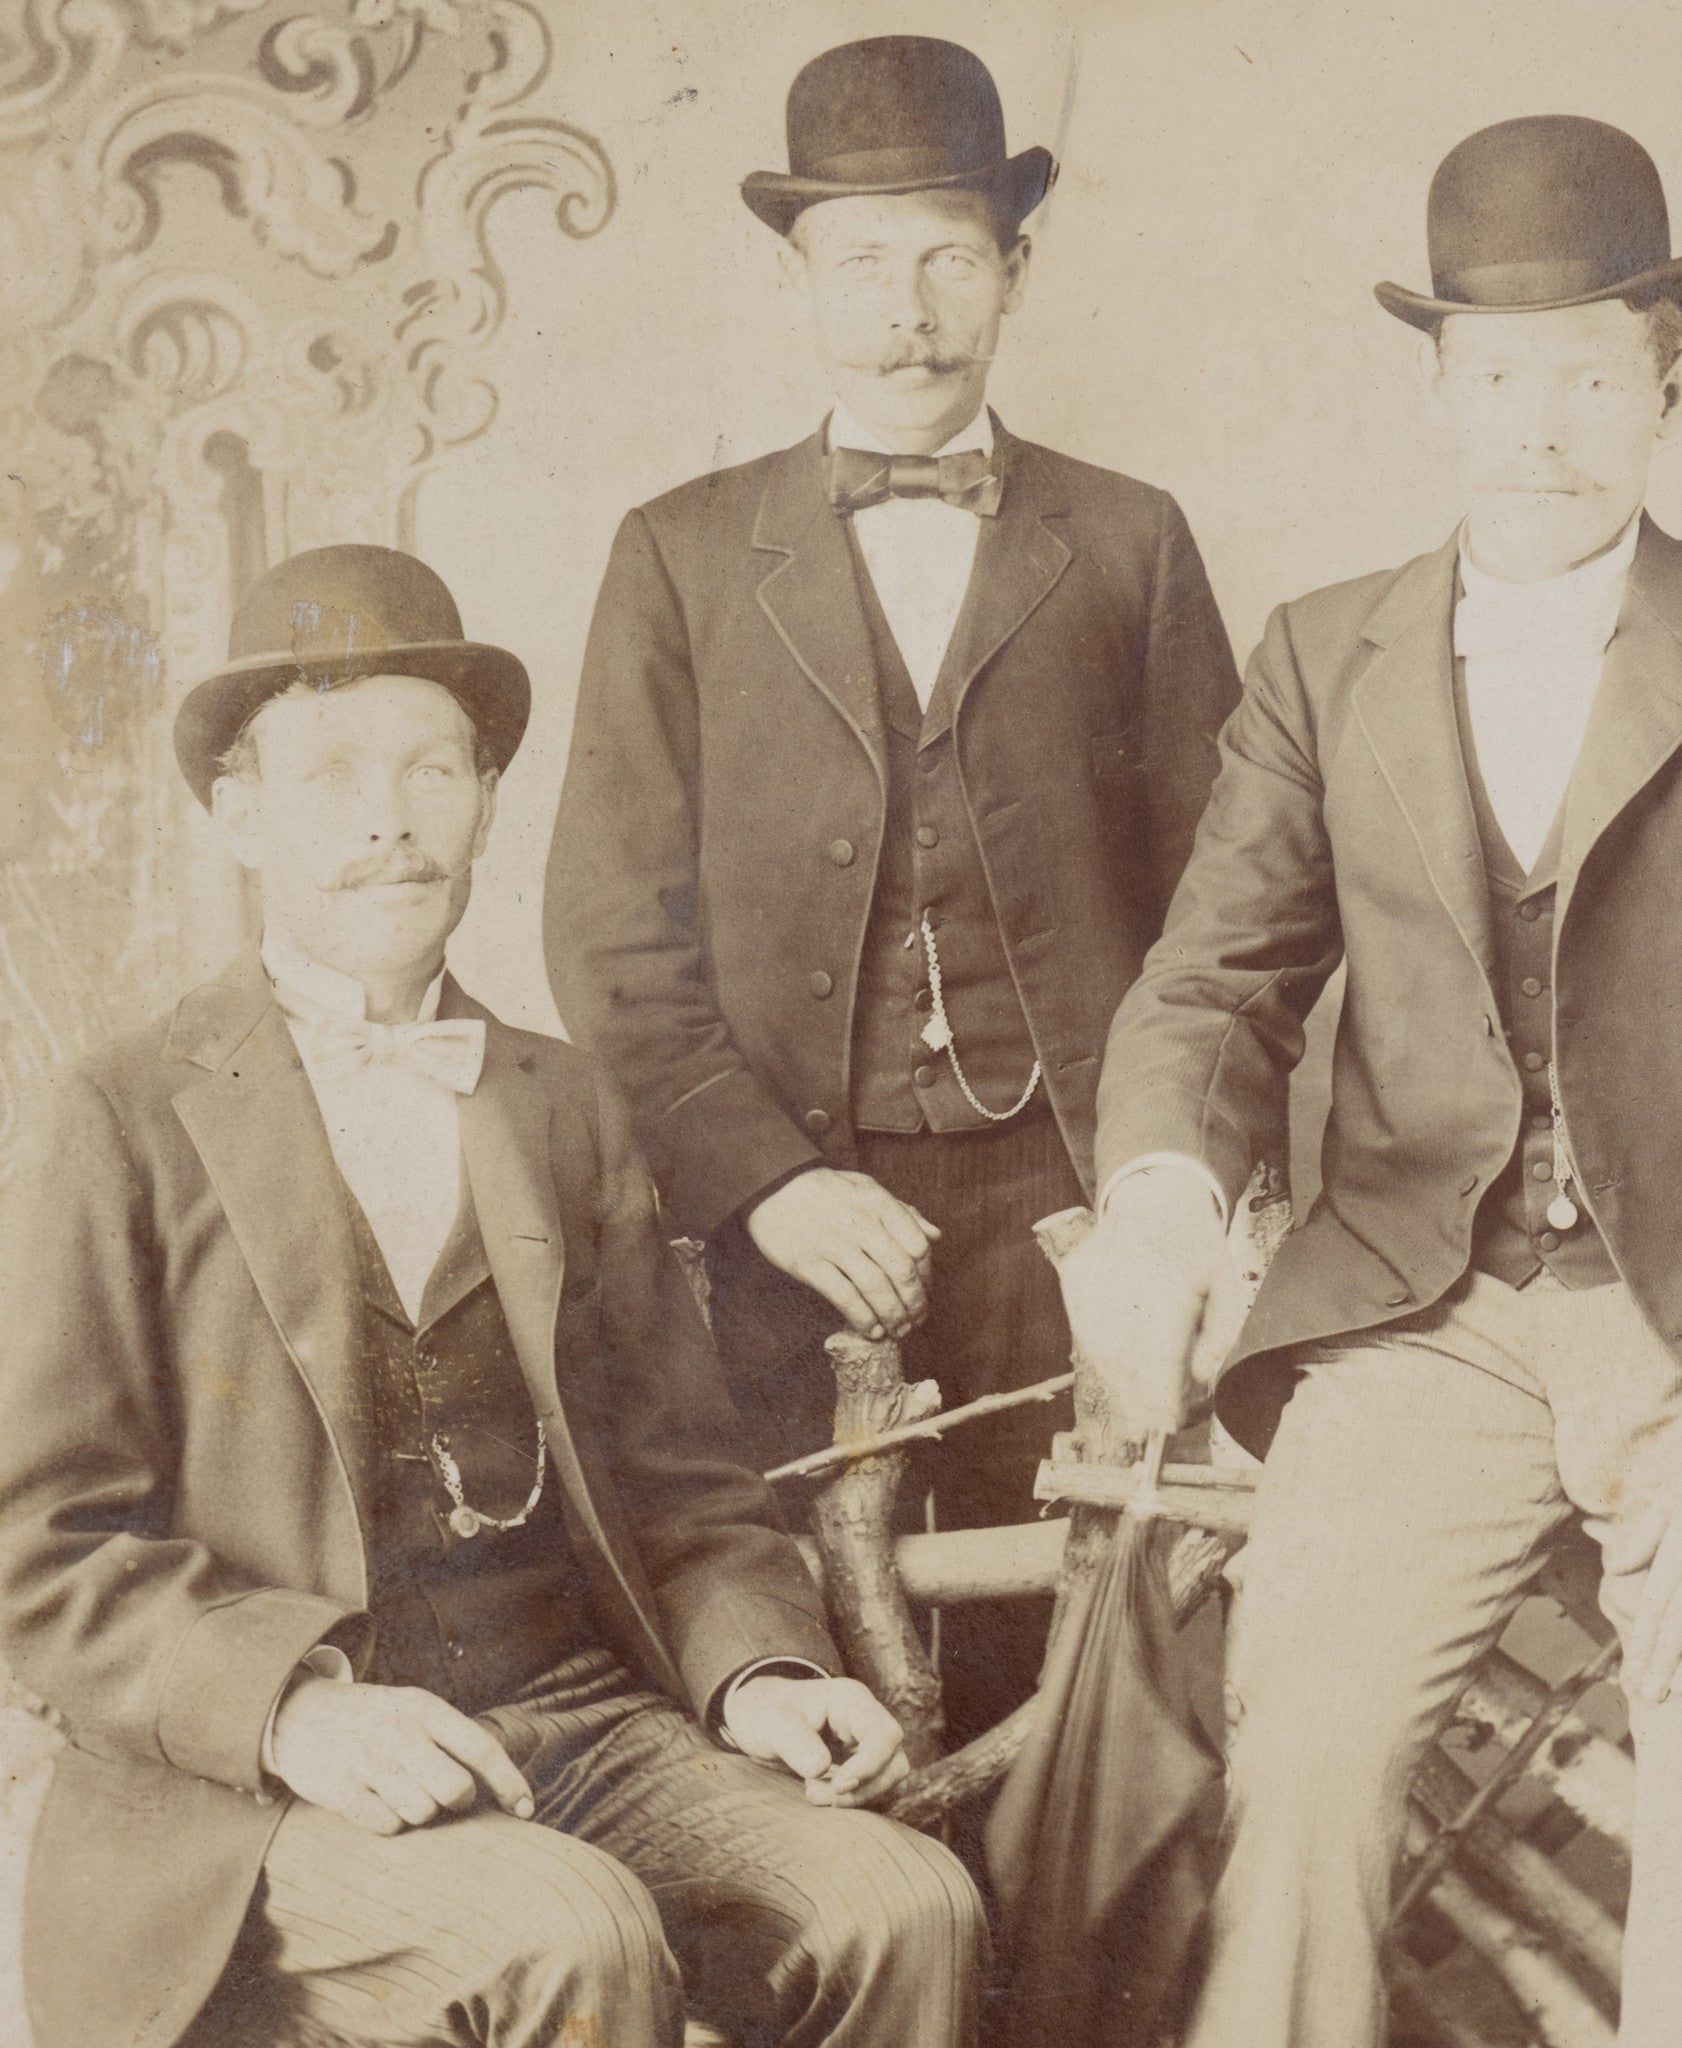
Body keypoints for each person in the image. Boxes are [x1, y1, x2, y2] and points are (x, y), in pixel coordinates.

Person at [1059, 116, 1682, 2048]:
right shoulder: (1323, 659)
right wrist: (1154, 1208)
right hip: (1434, 1311)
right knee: (1301, 1763)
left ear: (1671, 386)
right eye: (1499, 378)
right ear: (1437, 392)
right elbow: (1215, 986)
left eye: (1590, 376)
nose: (1543, 429)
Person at [0, 545, 983, 2048]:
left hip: (579, 1713)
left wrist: (763, 1672)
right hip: (262, 1778)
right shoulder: (123, 1113)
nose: (388, 820)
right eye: (331, 776)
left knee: (906, 1904)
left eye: (431, 770)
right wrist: (292, 1710)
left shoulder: (561, 1101)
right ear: (241, 818)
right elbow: (37, 1540)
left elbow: (686, 1483)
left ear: (486, 800)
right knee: (568, 1937)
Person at [545, 35, 1240, 1741]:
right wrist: (765, 1183)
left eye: (948, 257)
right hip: (786, 1212)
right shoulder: (680, 553)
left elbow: (1228, 912)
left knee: (1085, 1651)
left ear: (1015, 270)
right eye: (860, 261)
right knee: (802, 1625)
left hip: (1074, 1199)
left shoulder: (1130, 540)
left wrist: (1166, 1196)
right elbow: (611, 933)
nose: (907, 311)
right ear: (792, 278)